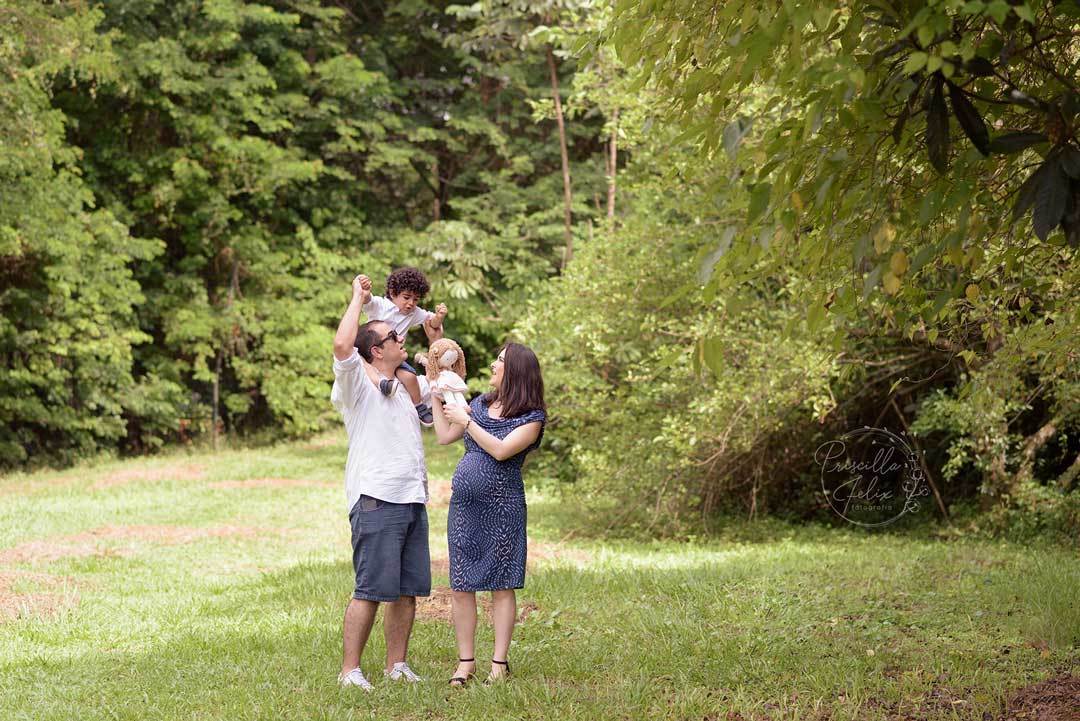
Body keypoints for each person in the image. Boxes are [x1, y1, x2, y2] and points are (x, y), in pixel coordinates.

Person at [331, 274, 431, 691]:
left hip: (411, 497)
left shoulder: (407, 386)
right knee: (370, 589)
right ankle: (350, 671)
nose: (400, 337)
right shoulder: (356, 384)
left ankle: (397, 665)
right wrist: (359, 297)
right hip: (376, 497)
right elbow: (342, 346)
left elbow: (446, 390)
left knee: (407, 591)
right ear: (376, 350)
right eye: (393, 336)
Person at [431, 342, 546, 686]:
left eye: (500, 360)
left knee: (501, 583)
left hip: (503, 508)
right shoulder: (481, 402)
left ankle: (499, 664)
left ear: (516, 371)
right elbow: (443, 435)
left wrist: (467, 422)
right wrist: (439, 396)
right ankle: (465, 663)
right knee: (462, 584)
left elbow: (500, 450)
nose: (494, 365)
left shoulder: (531, 417)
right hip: (465, 507)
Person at [356, 267, 448, 426]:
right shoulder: (381, 305)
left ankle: (419, 405)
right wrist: (364, 287)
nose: (411, 303)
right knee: (363, 364)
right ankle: (380, 383)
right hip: (369, 352)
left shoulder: (413, 313)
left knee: (409, 376)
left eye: (416, 299)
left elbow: (431, 323)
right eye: (406, 297)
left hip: (394, 357)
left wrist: (439, 316)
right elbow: (367, 300)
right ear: (392, 293)